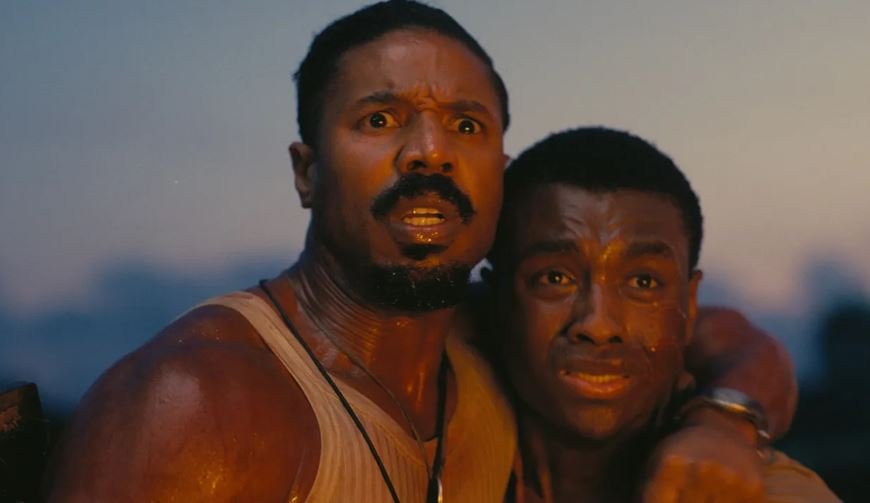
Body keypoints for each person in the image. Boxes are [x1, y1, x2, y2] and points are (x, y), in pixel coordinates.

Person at [46, 2, 796, 501]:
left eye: (466, 126)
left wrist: (725, 421)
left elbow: (718, 334)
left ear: (500, 177)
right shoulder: (198, 404)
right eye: (380, 119)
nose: (431, 152)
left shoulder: (490, 341)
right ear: (307, 172)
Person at [481, 127, 840, 502]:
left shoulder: (778, 495)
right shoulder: (452, 419)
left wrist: (724, 424)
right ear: (494, 296)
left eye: (643, 282)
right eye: (555, 278)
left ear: (689, 304)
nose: (599, 325)